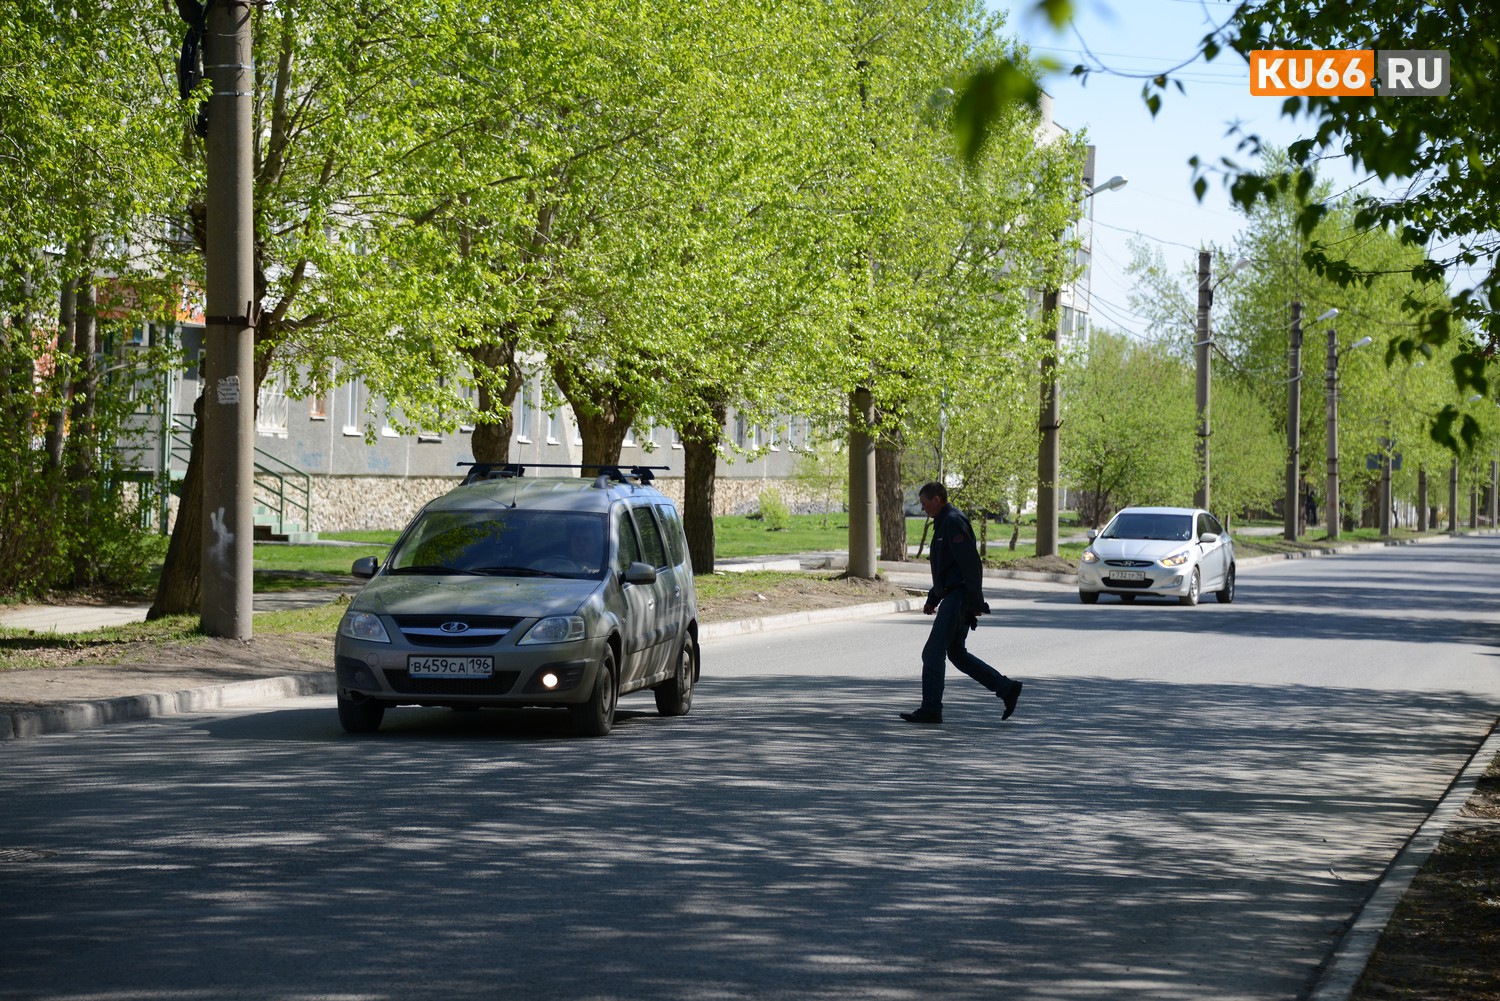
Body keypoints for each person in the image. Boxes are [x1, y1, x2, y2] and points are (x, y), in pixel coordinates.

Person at [900, 482, 1022, 725]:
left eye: (925, 503)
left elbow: (969, 564)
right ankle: (1006, 688)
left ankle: (931, 709)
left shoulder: (953, 521)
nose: (923, 509)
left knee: (933, 651)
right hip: (953, 595)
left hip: (960, 597)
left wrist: (975, 601)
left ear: (937, 499)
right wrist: (933, 598)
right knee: (956, 653)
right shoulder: (943, 522)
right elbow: (946, 568)